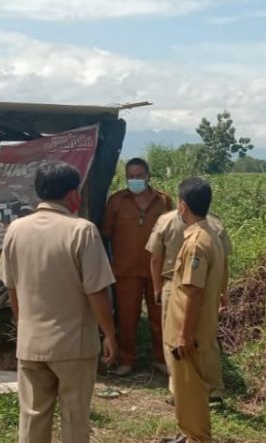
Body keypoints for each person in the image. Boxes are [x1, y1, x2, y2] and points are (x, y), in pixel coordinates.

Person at [1, 162, 118, 443]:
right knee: (75, 416)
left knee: (32, 416)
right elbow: (96, 291)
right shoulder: (82, 230)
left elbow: (12, 288)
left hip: (31, 343)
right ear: (72, 194)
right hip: (73, 344)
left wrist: (23, 326)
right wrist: (110, 334)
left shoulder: (16, 229)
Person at [162, 177, 227, 443]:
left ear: (183, 206)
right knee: (189, 389)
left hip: (189, 332)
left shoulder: (196, 242)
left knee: (191, 390)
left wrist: (184, 335)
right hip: (197, 328)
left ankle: (197, 437)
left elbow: (193, 291)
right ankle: (188, 434)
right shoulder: (210, 234)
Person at [148, 209, 231, 401]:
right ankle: (213, 389)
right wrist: (221, 291)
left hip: (174, 284)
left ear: (183, 204)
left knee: (173, 339)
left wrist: (157, 288)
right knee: (207, 337)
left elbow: (155, 258)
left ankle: (179, 390)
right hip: (209, 285)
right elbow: (224, 262)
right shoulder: (215, 224)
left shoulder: (166, 220)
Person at [101, 158, 174, 376]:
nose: (135, 180)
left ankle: (162, 360)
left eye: (139, 176)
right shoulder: (116, 201)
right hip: (125, 271)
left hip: (157, 271)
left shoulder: (163, 201)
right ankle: (126, 360)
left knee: (160, 317)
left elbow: (172, 233)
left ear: (148, 176)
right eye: (131, 176)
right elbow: (106, 233)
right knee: (126, 318)